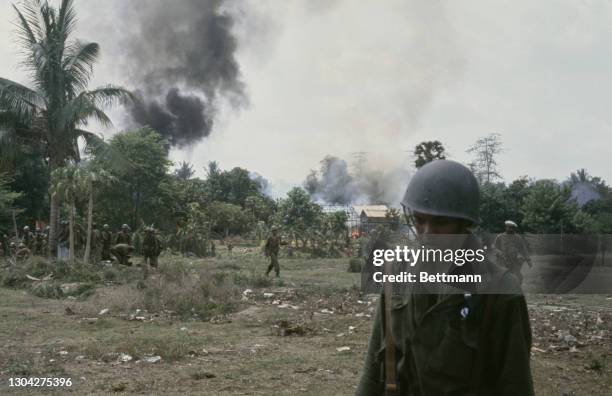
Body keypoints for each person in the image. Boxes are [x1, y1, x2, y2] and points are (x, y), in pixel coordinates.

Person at [357, 160, 533, 396]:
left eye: (440, 222)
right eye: (420, 220)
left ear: (464, 224)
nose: (428, 233)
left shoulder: (500, 291)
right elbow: (374, 369)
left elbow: (515, 383)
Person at [493, 220, 532, 285]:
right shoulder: (500, 237)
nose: (510, 229)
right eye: (509, 227)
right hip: (503, 260)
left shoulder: (518, 238)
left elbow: (523, 249)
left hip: (514, 260)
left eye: (512, 227)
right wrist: (499, 252)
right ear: (506, 227)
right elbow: (494, 247)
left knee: (517, 276)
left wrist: (528, 260)